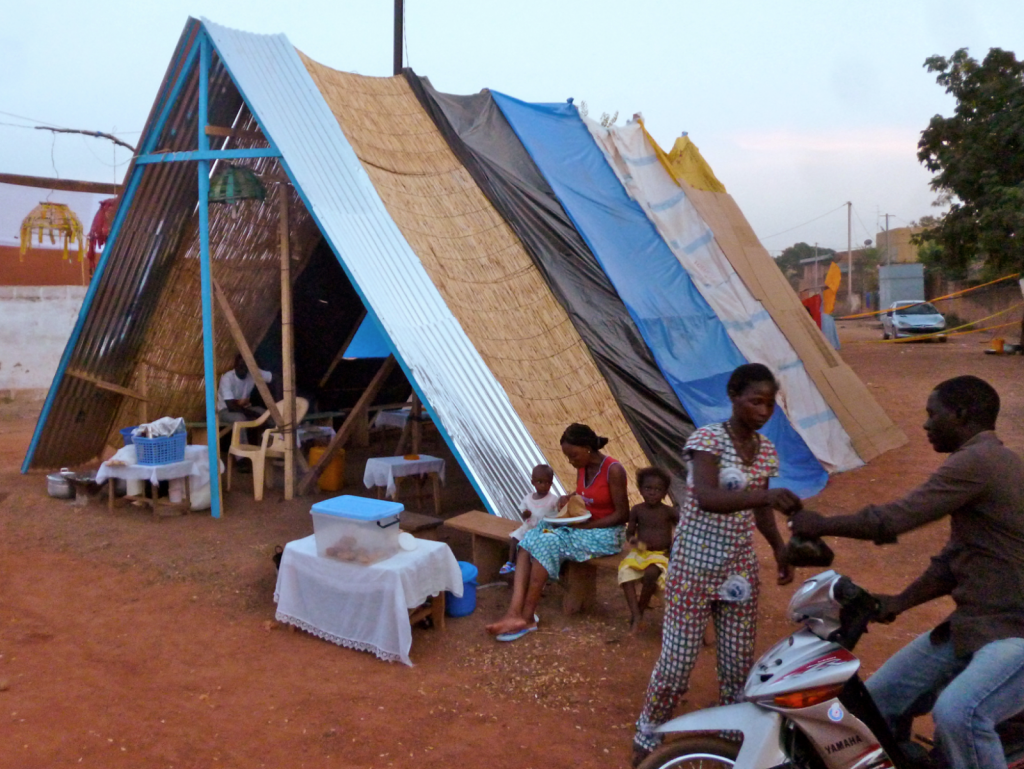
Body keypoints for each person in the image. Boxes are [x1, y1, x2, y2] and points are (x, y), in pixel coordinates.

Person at [789, 375, 1024, 769]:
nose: (926, 425)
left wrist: (822, 524)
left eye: (933, 415)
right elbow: (955, 560)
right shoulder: (983, 464)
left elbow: (895, 519)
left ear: (961, 415)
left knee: (959, 714)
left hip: (1014, 629)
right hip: (976, 624)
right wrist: (900, 602)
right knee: (876, 703)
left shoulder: (978, 461)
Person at [633, 363, 801, 766]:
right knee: (676, 665)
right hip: (693, 568)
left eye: (770, 402)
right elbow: (707, 496)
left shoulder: (765, 451)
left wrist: (778, 547)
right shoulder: (706, 440)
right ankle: (646, 735)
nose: (764, 410)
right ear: (733, 397)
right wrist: (765, 497)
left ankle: (730, 745)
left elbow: (760, 510)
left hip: (739, 571)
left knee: (738, 671)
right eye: (755, 400)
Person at [485, 423, 629, 641]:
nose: (571, 462)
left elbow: (622, 514)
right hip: (582, 528)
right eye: (568, 457)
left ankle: (527, 616)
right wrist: (569, 498)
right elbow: (585, 496)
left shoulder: (614, 470)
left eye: (573, 455)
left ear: (588, 447)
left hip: (607, 534)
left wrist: (587, 526)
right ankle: (513, 612)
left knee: (548, 542)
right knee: (530, 537)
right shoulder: (582, 467)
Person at [619, 467, 679, 633]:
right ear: (640, 490)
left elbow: (684, 526)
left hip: (661, 555)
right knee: (625, 573)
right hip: (641, 553)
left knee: (651, 573)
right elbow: (629, 532)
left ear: (665, 493)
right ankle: (636, 613)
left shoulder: (668, 511)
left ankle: (640, 610)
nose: (652, 493)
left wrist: (676, 546)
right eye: (648, 488)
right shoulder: (637, 510)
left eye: (658, 490)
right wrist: (633, 540)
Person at [500, 464, 558, 575]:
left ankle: (528, 567)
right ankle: (511, 562)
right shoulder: (528, 498)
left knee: (533, 546)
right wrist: (525, 514)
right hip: (528, 528)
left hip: (543, 531)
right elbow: (523, 513)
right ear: (533, 482)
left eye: (548, 483)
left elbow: (560, 511)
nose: (544, 485)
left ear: (551, 483)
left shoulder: (553, 499)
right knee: (515, 539)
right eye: (540, 482)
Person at [217, 354, 273, 444]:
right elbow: (231, 407)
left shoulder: (252, 373)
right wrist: (254, 414)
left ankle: (270, 447)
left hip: (245, 408)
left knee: (266, 414)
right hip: (225, 411)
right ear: (235, 365)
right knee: (240, 418)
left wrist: (280, 401)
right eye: (241, 365)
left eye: (246, 365)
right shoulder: (227, 378)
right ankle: (241, 454)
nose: (243, 367)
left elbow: (274, 378)